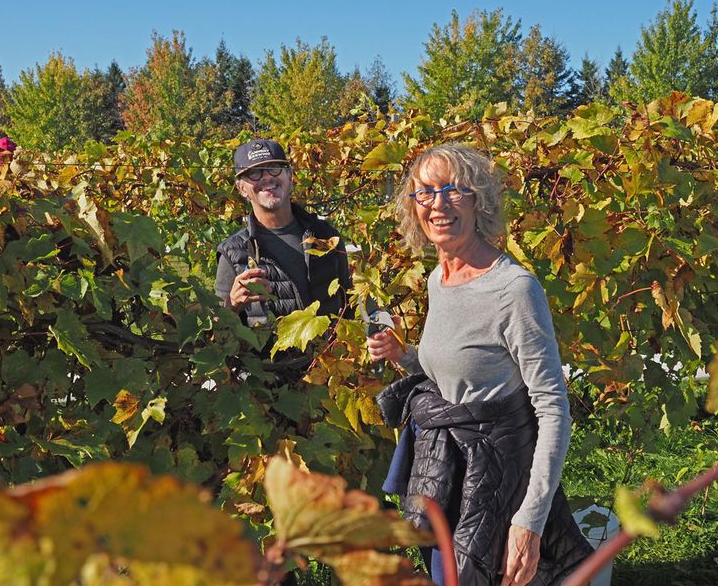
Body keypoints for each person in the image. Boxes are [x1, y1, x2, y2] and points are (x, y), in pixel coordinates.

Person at [368, 144, 592, 585]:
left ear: (479, 199)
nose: (438, 204)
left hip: (494, 490)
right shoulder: (439, 277)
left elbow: (553, 409)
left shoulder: (513, 289)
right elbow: (457, 375)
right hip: (444, 477)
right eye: (425, 192)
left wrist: (530, 521)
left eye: (453, 189)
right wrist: (406, 356)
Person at [215, 139, 351, 327]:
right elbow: (217, 329)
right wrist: (233, 304)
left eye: (274, 168)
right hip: (272, 357)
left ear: (290, 177)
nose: (266, 177)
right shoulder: (233, 252)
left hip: (330, 355)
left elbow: (350, 303)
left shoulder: (326, 237)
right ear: (242, 189)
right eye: (254, 173)